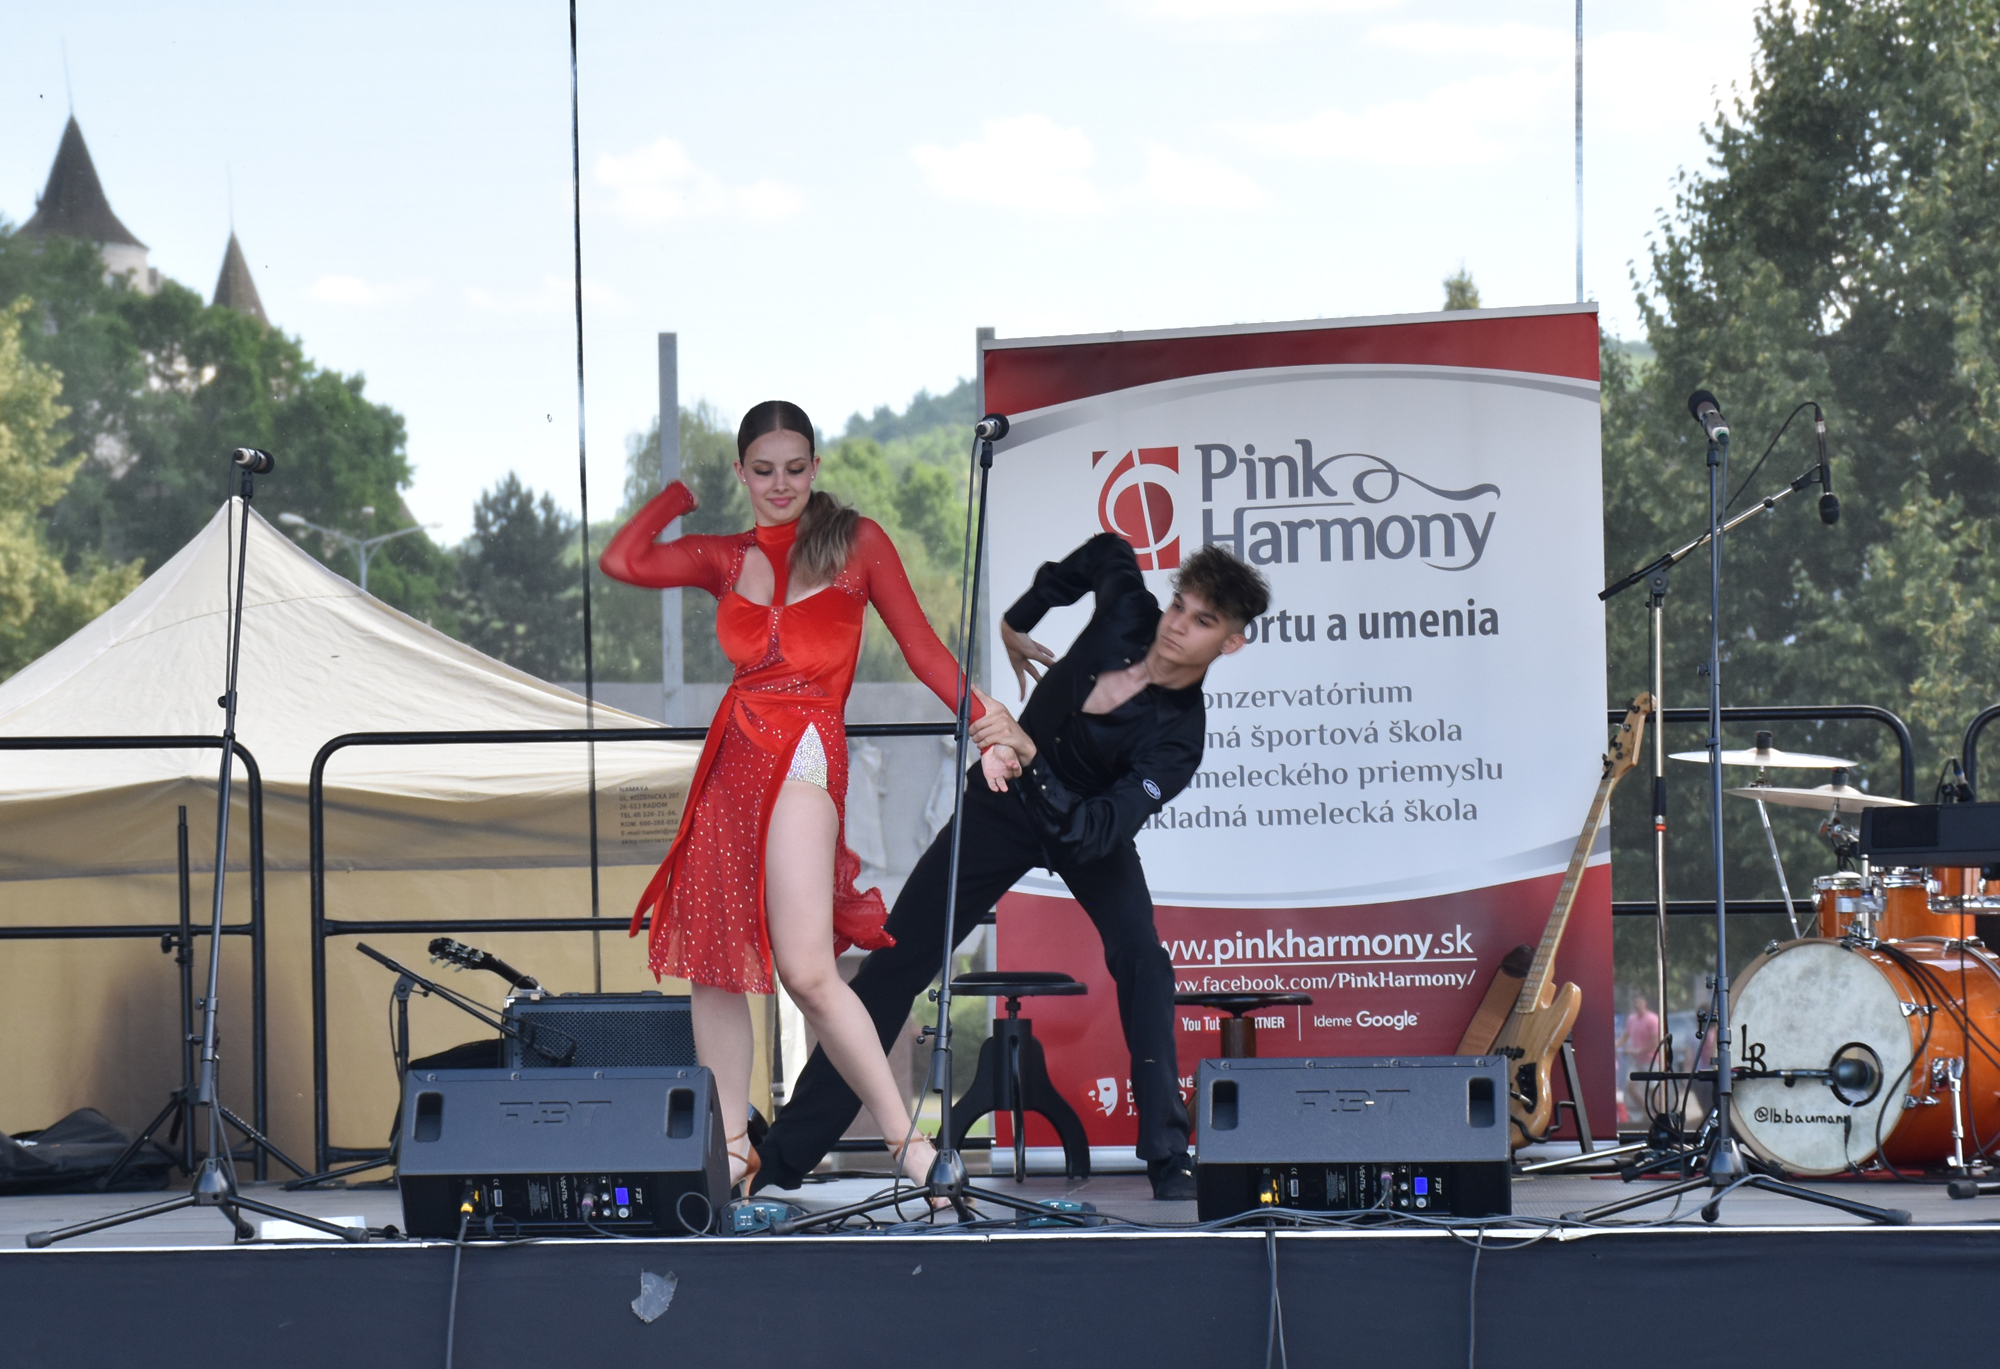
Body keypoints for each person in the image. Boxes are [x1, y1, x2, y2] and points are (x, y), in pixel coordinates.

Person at [755, 532, 1269, 1200]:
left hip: (1086, 830)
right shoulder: (1127, 609)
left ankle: (1169, 1157)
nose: (1177, 625)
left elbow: (1095, 833)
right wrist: (1019, 619)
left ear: (1231, 642)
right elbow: (1108, 550)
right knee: (895, 961)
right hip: (1002, 804)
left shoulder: (1180, 738)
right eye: (1180, 605)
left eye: (1203, 621)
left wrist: (1032, 757)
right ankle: (783, 1157)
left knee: (1145, 959)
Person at [599, 400, 992, 1193]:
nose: (781, 483)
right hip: (734, 757)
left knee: (809, 971)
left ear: (816, 467)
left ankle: (907, 1144)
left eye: (795, 467)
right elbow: (623, 560)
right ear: (742, 472)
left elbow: (921, 647)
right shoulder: (724, 555)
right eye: (763, 469)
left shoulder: (857, 542)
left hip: (808, 747)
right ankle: (733, 1148)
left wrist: (988, 719)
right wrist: (675, 498)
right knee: (714, 965)